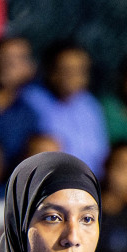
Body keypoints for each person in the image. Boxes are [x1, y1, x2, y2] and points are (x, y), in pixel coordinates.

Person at [23, 42, 108, 173]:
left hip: (88, 184)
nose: (72, 77)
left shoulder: (90, 105)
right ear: (50, 70)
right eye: (65, 70)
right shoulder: (30, 99)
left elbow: (101, 154)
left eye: (79, 71)